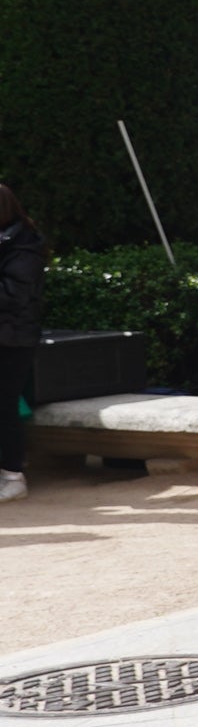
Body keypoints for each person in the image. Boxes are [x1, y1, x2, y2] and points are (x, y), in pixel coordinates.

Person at [0, 184, 48, 505]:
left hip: (11, 339)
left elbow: (14, 295)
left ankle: (13, 475)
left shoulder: (25, 244)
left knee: (4, 405)